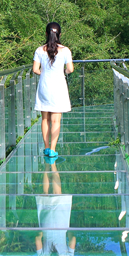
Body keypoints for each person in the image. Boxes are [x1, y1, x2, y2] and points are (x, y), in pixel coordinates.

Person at [32, 21, 74, 160]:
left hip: (44, 86)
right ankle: (53, 149)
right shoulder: (65, 50)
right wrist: (63, 71)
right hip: (59, 87)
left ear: (46, 33)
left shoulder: (39, 50)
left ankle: (45, 147)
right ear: (60, 34)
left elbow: (35, 70)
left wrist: (44, 73)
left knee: (45, 119)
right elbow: (70, 69)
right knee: (56, 121)